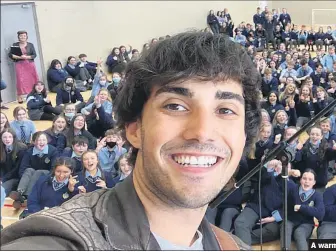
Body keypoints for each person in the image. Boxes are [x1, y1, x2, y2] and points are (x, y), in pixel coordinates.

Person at [0, 32, 261, 250]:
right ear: (134, 128)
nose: (202, 132)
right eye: (175, 106)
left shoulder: (232, 246)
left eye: (226, 110)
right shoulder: (62, 240)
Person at [9, 31, 39, 103]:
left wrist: (26, 57)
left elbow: (34, 55)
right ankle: (20, 97)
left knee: (33, 79)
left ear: (26, 37)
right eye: (21, 36)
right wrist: (17, 57)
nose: (23, 37)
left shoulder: (30, 45)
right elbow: (10, 54)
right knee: (20, 81)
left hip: (29, 64)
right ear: (18, 37)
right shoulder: (15, 44)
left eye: (24, 36)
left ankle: (35, 94)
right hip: (19, 64)